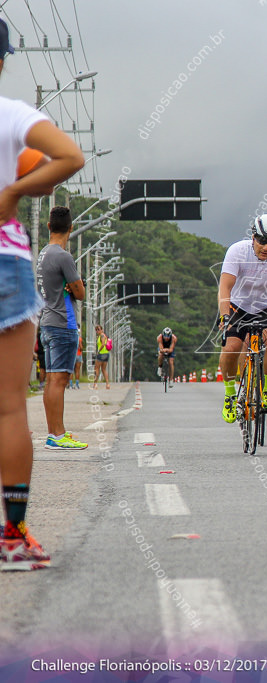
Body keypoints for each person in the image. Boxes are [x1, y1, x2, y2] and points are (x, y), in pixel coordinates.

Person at [0, 16, 85, 570]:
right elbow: (69, 158)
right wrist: (13, 191)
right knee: (8, 408)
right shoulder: (11, 113)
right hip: (4, 261)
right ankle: (12, 536)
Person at [218, 214, 267, 423]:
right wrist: (225, 316)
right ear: (253, 237)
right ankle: (229, 395)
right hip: (239, 305)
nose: (266, 247)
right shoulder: (237, 251)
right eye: (262, 241)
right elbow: (225, 286)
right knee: (231, 347)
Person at [37, 206, 88, 450]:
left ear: (48, 227)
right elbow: (80, 291)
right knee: (59, 380)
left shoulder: (44, 254)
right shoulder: (63, 256)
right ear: (71, 228)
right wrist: (75, 286)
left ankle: (54, 432)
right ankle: (57, 435)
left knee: (51, 380)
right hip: (62, 324)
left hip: (46, 322)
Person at [93, 323, 111, 390]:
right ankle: (107, 384)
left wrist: (98, 351)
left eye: (99, 329)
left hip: (101, 354)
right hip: (106, 354)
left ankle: (95, 384)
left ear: (102, 330)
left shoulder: (102, 336)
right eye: (96, 330)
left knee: (96, 369)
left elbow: (103, 344)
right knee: (103, 369)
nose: (97, 331)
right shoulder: (101, 336)